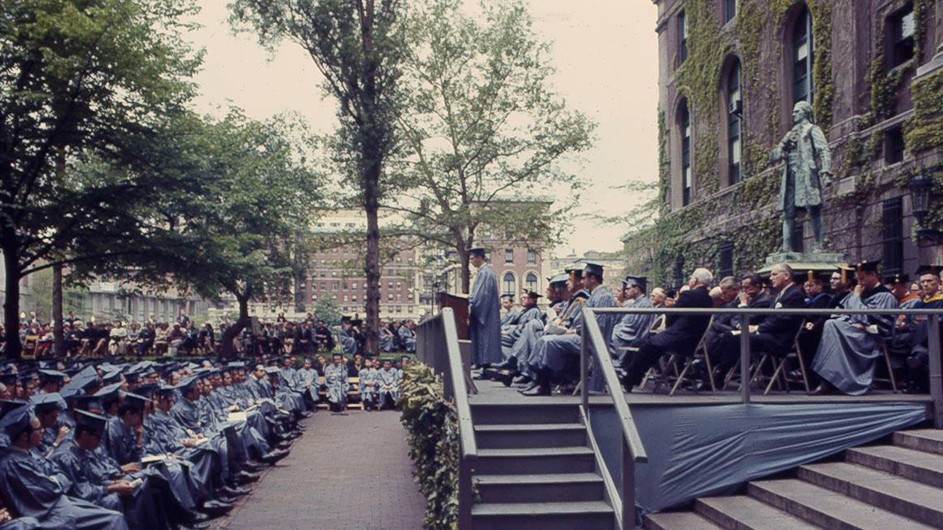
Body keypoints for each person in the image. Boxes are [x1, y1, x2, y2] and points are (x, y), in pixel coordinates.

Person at [0, 406, 129, 529]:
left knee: (114, 512)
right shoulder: (13, 464)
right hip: (49, 513)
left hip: (61, 504)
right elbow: (50, 489)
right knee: (114, 518)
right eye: (38, 429)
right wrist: (54, 480)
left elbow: (59, 472)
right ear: (24, 436)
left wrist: (54, 479)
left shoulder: (31, 453)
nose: (43, 431)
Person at [522, 262, 618, 396]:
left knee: (548, 341)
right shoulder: (595, 295)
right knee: (544, 339)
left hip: (592, 342)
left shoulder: (604, 297)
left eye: (584, 278)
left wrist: (574, 331)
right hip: (583, 336)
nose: (582, 281)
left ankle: (543, 384)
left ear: (593, 279)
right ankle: (539, 381)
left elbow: (599, 327)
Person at [810, 260, 898, 395]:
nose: (860, 282)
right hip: (851, 332)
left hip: (870, 337)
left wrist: (857, 299)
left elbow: (878, 324)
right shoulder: (857, 292)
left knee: (832, 326)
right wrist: (849, 321)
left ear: (873, 275)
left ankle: (830, 381)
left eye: (862, 278)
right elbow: (839, 313)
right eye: (858, 279)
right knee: (831, 324)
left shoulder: (885, 296)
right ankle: (831, 380)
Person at [620, 268, 715, 392]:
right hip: (692, 340)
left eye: (691, 278)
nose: (690, 280)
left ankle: (630, 378)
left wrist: (670, 324)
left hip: (680, 338)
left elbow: (672, 315)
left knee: (647, 346)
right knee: (651, 346)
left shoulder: (689, 294)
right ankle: (632, 377)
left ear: (696, 280)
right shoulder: (708, 299)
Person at [713, 264, 807, 381]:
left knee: (736, 338)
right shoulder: (780, 294)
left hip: (779, 340)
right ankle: (710, 368)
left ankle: (719, 374)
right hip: (768, 334)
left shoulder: (794, 295)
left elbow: (783, 320)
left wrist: (757, 328)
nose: (771, 278)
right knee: (729, 335)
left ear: (786, 275)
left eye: (774, 274)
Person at [770, 100, 832, 253]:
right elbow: (774, 156)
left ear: (805, 112)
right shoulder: (789, 134)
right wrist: (781, 147)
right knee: (788, 212)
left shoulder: (812, 129)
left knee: (814, 208)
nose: (793, 114)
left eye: (797, 111)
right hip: (790, 176)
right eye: (793, 111)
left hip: (806, 174)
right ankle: (786, 247)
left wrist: (826, 171)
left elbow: (823, 150)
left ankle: (818, 245)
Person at [468, 247, 501, 369]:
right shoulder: (484, 272)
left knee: (485, 339)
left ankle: (484, 366)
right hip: (486, 311)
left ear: (479, 257)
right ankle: (481, 364)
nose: (471, 261)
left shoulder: (485, 273)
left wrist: (473, 306)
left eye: (472, 258)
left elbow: (482, 295)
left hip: (485, 313)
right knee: (483, 339)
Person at [610, 276, 656, 359]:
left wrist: (614, 332)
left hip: (628, 341)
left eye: (628, 288)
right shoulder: (637, 303)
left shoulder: (644, 305)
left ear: (636, 289)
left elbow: (636, 330)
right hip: (622, 335)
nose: (626, 291)